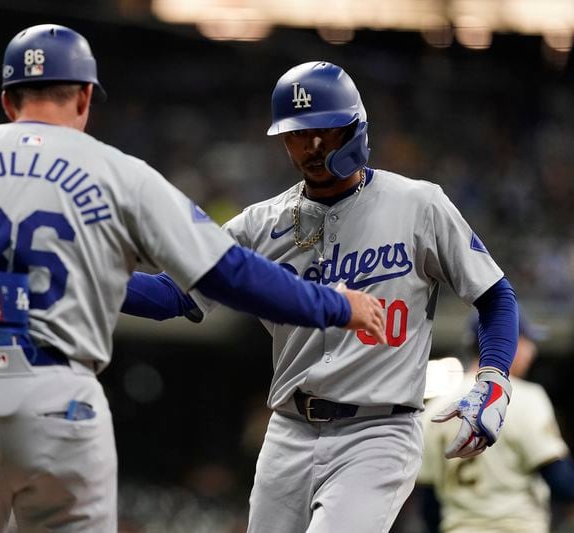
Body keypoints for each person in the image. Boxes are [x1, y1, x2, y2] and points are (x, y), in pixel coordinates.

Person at [0, 27, 387, 532]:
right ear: (86, 96)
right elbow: (228, 273)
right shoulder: (119, 172)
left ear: (7, 101)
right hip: (59, 402)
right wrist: (332, 305)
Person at [120, 61, 520, 533]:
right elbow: (173, 296)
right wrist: (87, 278)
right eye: (295, 134)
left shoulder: (419, 204)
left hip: (379, 430)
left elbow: (495, 295)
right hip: (289, 430)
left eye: (324, 130)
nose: (311, 147)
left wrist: (494, 376)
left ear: (355, 126)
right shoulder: (260, 224)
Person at [417, 310, 574, 533]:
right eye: (527, 342)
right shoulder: (527, 397)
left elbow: (429, 503)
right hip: (517, 526)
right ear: (508, 341)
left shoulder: (436, 408)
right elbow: (560, 481)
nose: (532, 350)